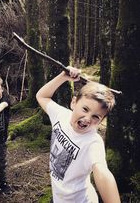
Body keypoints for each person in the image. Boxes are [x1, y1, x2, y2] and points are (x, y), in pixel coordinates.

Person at [36, 67, 121, 203]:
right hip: (59, 197)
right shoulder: (61, 115)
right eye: (85, 109)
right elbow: (42, 96)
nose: (87, 118)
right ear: (74, 102)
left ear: (101, 121)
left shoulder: (93, 142)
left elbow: (103, 172)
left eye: (95, 117)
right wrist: (63, 77)